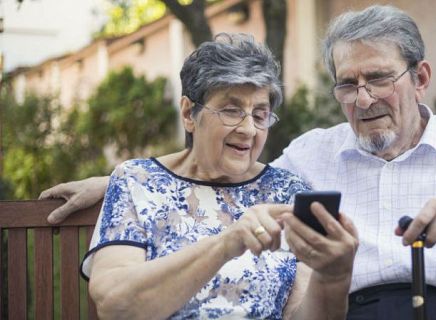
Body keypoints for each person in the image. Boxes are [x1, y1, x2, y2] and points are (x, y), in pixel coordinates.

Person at [40, 5, 436, 320]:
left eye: (378, 78)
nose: (362, 99)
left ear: (420, 77)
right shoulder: (311, 156)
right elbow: (219, 169)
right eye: (347, 83)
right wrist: (116, 181)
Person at [66, 33, 359, 319]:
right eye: (231, 110)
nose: (248, 129)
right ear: (188, 114)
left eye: (260, 114)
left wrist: (333, 277)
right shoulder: (136, 181)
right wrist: (225, 244)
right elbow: (115, 306)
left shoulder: (286, 190)